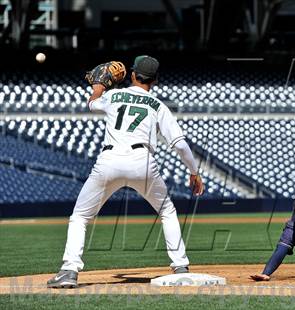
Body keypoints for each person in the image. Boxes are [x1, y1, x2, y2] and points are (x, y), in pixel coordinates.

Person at [47, 55, 204, 288]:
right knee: (167, 212)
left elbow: (91, 104)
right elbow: (180, 144)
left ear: (132, 75)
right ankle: (180, 266)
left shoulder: (112, 96)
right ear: (156, 80)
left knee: (80, 216)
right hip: (143, 162)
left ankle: (69, 270)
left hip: (109, 160)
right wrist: (194, 172)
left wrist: (98, 87)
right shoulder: (158, 105)